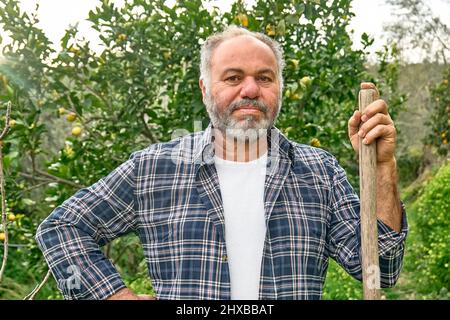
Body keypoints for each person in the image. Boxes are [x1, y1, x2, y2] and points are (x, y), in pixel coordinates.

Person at [36, 26, 407, 300]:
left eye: (264, 77)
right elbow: (61, 228)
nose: (250, 89)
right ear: (204, 88)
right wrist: (111, 295)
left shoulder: (319, 172)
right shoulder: (152, 170)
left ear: (278, 87)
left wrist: (383, 167)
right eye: (233, 77)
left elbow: (381, 270)